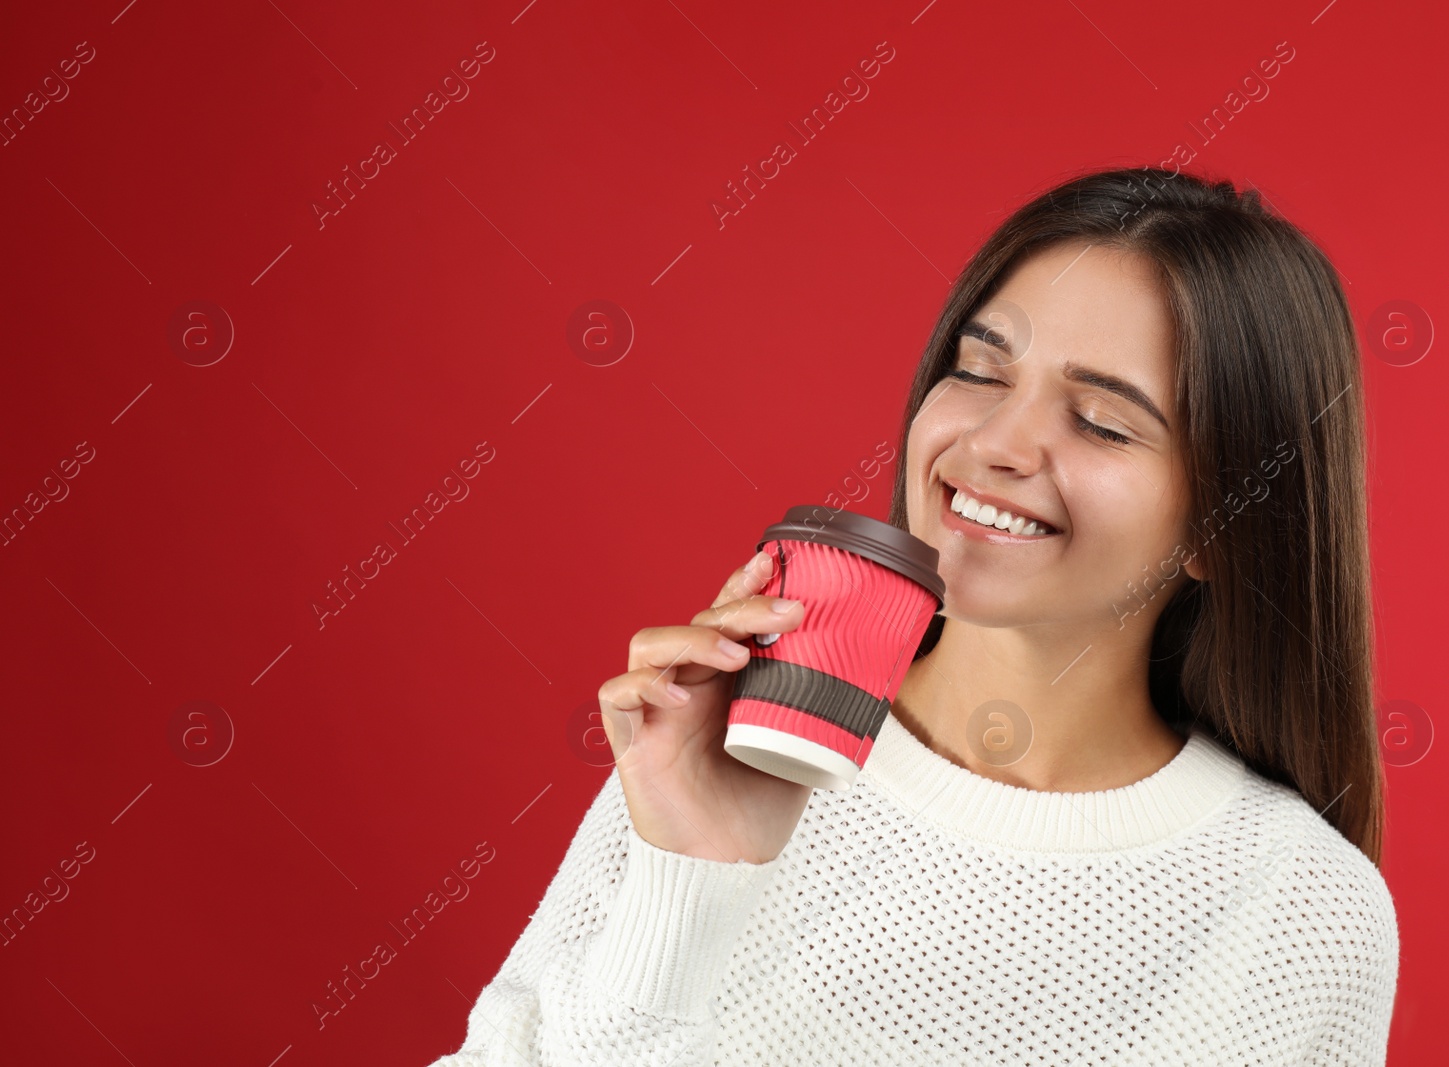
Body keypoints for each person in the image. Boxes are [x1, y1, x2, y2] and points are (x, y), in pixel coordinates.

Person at [427, 166, 1400, 1065]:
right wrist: (691, 877)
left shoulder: (1301, 908)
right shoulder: (722, 745)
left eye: (1101, 420)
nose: (994, 440)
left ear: (1221, 524)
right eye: (979, 372)